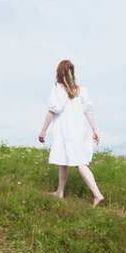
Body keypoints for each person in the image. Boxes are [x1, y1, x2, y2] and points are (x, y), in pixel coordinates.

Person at [38, 59, 105, 207]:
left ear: (58, 73)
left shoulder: (58, 89)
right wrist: (94, 129)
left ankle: (97, 194)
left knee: (80, 163)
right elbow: (88, 111)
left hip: (66, 132)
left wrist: (43, 130)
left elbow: (52, 110)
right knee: (63, 160)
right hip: (79, 132)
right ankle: (60, 192)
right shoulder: (81, 91)